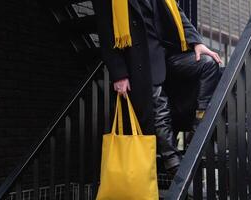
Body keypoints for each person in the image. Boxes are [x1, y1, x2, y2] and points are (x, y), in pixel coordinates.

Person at [94, 0, 222, 174]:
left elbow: (178, 13)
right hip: (141, 61)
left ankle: (198, 132)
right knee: (159, 108)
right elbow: (106, 31)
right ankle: (173, 161)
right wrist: (119, 74)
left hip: (168, 53)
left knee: (208, 64)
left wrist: (197, 42)